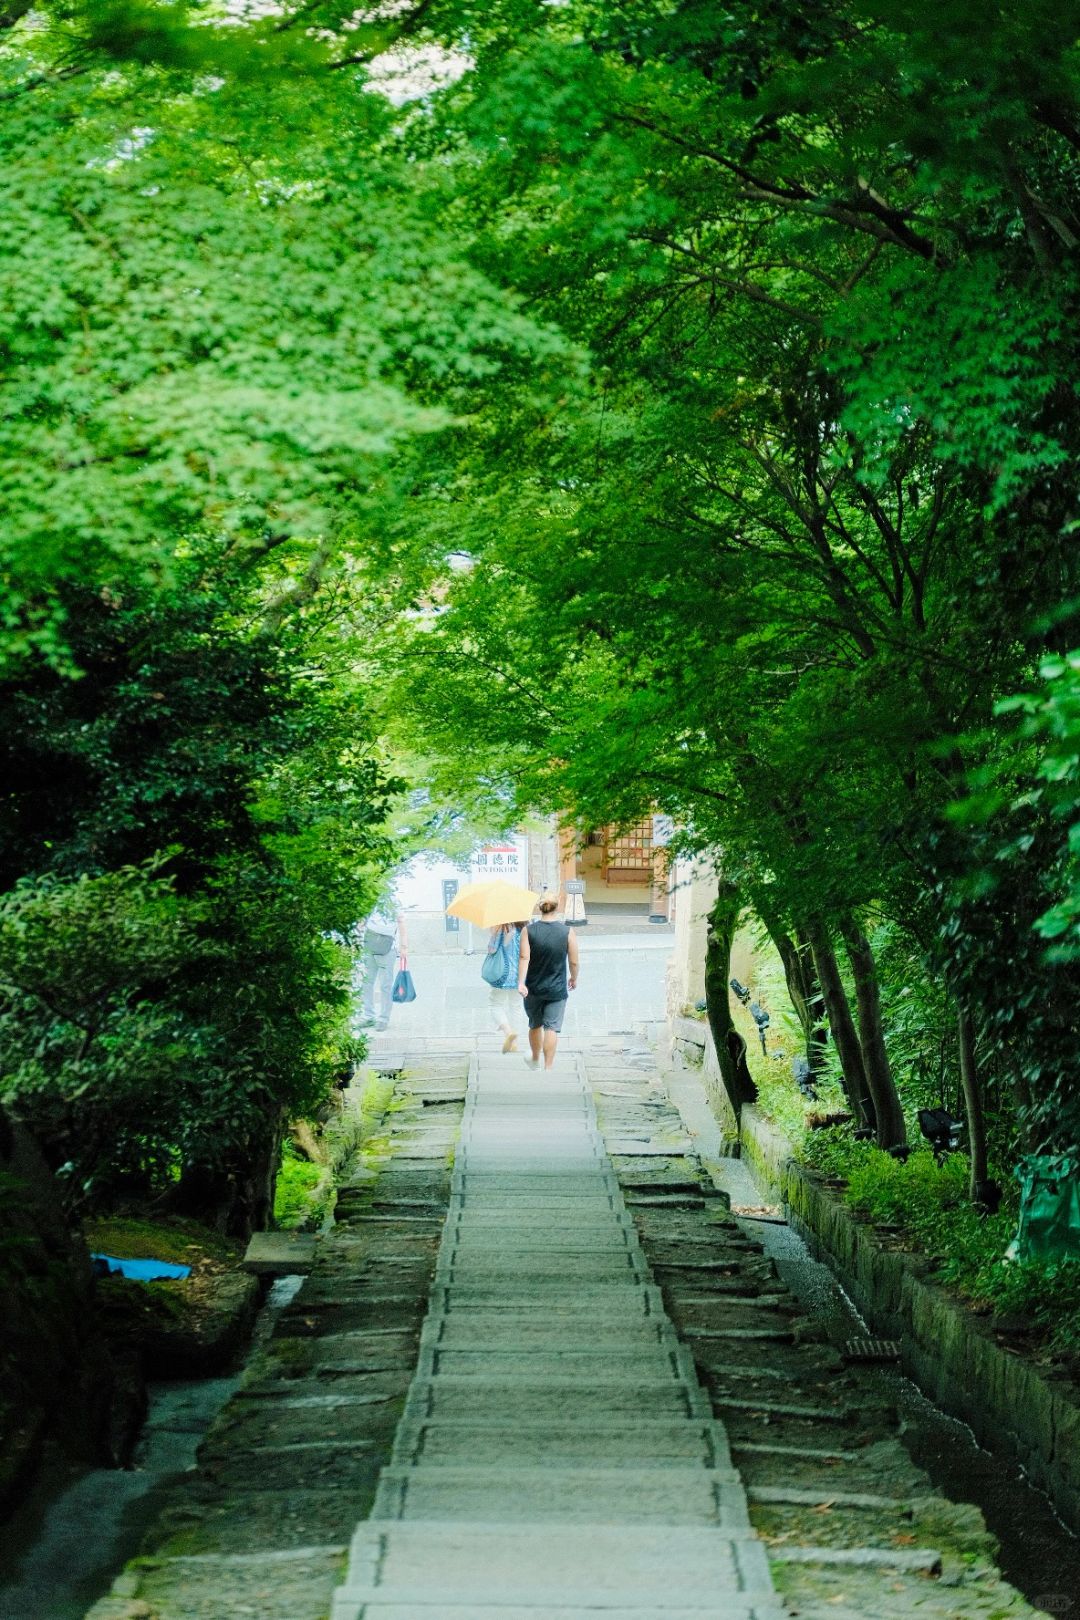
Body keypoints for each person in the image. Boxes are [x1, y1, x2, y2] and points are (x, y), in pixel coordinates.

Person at [517, 895, 579, 1070]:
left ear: (539, 907)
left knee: (535, 1024)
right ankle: (548, 1068)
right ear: (557, 907)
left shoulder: (528, 931)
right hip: (557, 988)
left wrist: (521, 982)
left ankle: (535, 1059)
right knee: (551, 1027)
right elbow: (573, 961)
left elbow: (524, 957)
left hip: (533, 988)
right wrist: (574, 978)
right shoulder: (567, 932)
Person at [360, 905, 406, 1031]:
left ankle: (383, 1018)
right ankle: (369, 1016)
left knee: (385, 985)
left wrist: (404, 946)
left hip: (387, 949)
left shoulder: (394, 901)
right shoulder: (370, 900)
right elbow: (362, 922)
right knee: (367, 982)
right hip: (370, 946)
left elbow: (401, 922)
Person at [485, 921, 525, 1053]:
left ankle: (508, 1033)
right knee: (516, 1006)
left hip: (501, 974)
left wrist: (492, 935)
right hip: (518, 975)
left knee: (495, 1004)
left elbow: (492, 950)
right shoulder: (522, 930)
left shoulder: (500, 929)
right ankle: (515, 1042)